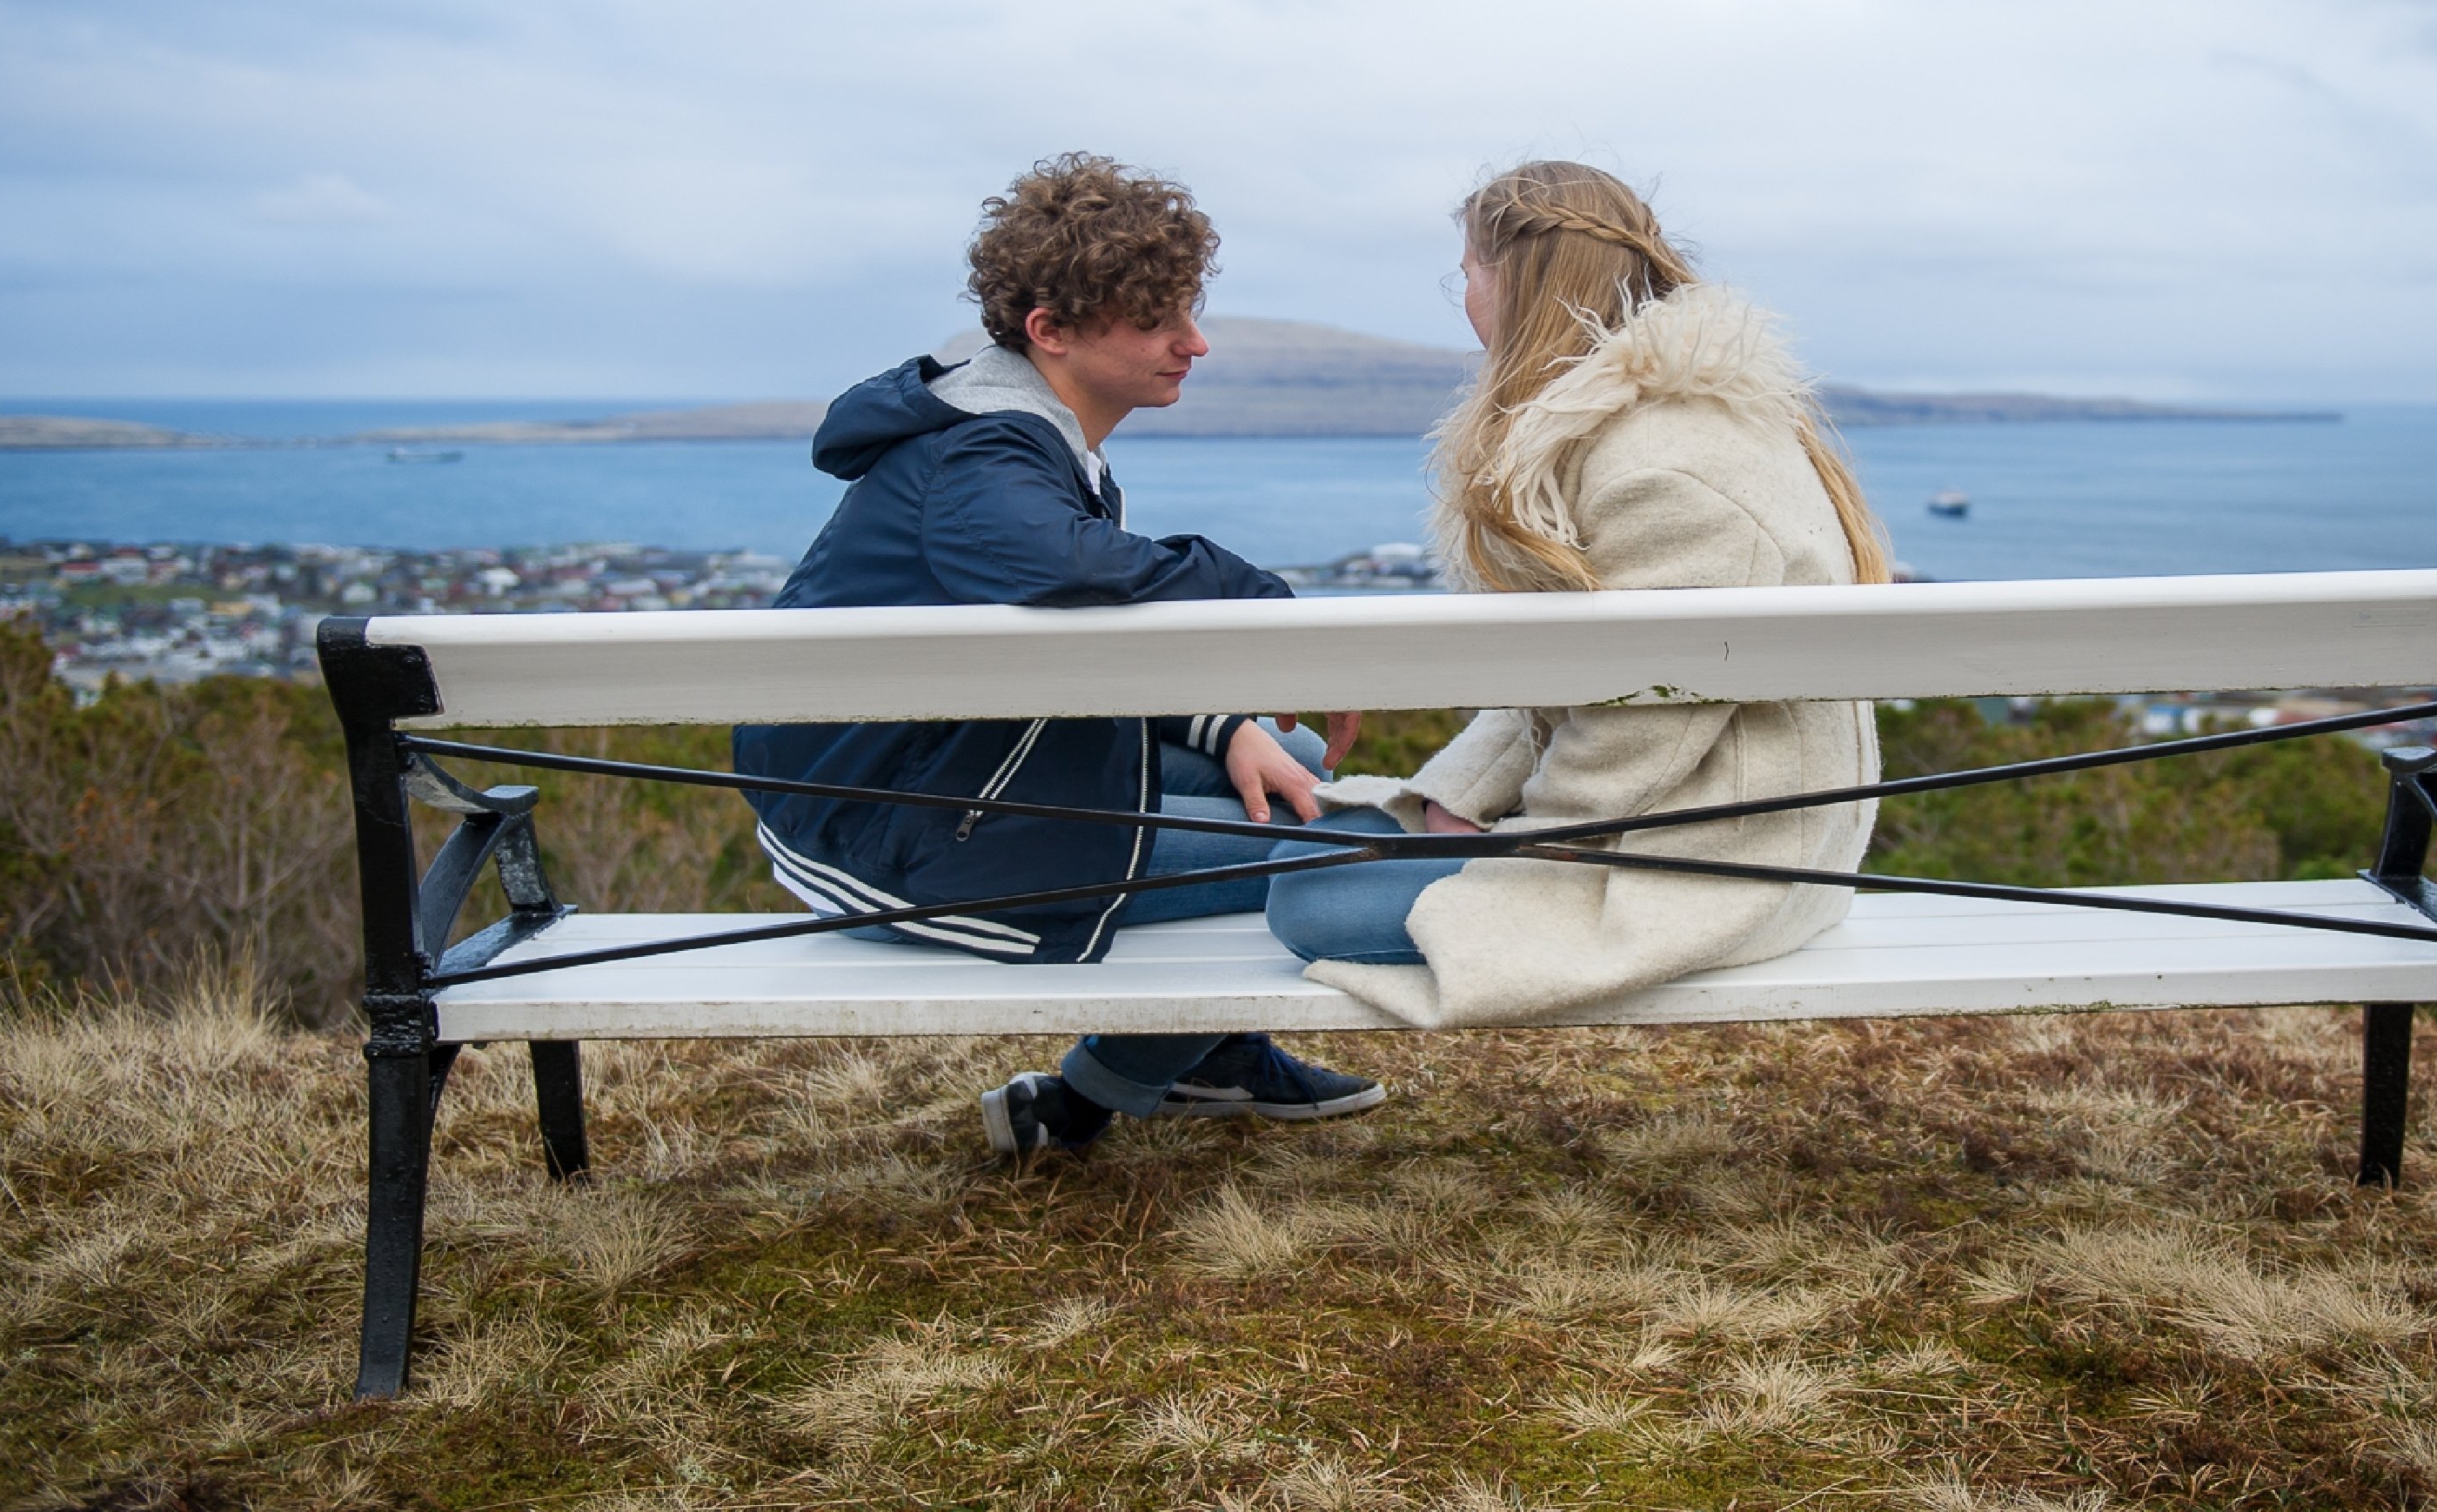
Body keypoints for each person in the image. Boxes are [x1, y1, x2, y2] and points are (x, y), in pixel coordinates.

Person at [733, 153, 1383, 1158]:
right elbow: (1065, 570)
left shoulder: (1021, 439)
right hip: (897, 835)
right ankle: (1092, 1096)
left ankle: (1202, 1058)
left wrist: (1227, 723)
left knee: (1302, 771)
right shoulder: (984, 455)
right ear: (1053, 331)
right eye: (1158, 321)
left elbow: (1072, 630)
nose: (1194, 343)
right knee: (1335, 843)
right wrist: (1262, 604)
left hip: (951, 771)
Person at [1259, 160, 1897, 1026]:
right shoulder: (1643, 429)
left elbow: (1657, 709)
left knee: (1308, 900)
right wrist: (1458, 803)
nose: (1463, 298)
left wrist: (1524, 844)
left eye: (1468, 274)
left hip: (1719, 860)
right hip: (1686, 822)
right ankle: (1109, 1066)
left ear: (1516, 278)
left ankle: (1087, 1003)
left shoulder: (1666, 459)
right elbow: (1576, 672)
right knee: (1287, 830)